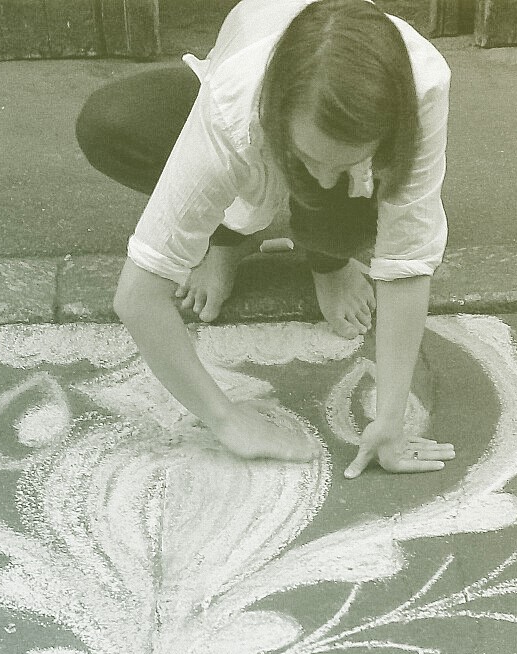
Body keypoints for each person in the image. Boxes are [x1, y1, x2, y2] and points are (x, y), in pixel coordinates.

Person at [75, 0, 456, 478]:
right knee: (112, 121)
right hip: (243, 100)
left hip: (320, 129)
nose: (321, 178)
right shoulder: (235, 105)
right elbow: (136, 297)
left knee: (337, 206)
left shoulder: (421, 87)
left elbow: (407, 259)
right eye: (309, 157)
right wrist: (226, 420)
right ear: (275, 114)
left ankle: (328, 259)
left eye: (344, 161)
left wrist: (391, 420)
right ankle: (228, 239)